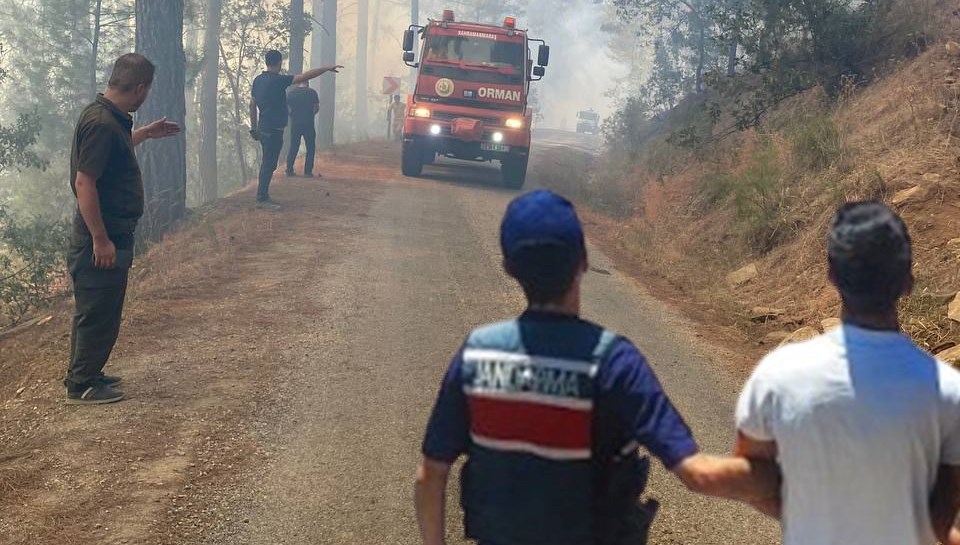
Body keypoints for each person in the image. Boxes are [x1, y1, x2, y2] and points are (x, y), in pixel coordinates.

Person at [415, 190, 780, 545]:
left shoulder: (477, 354)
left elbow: (431, 475)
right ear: (584, 261)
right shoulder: (614, 362)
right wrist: (787, 481)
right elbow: (699, 475)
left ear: (509, 268)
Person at [735, 201, 960, 545]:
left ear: (832, 275)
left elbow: (750, 478)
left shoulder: (779, 375)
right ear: (908, 281)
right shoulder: (949, 393)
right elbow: (939, 523)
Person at [64, 53, 180, 405]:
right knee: (98, 309)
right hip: (102, 234)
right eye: (148, 90)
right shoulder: (102, 123)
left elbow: (107, 157)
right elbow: (85, 182)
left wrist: (143, 134)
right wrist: (100, 239)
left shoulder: (107, 118)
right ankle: (81, 384)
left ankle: (88, 372)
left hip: (111, 231)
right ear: (140, 87)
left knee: (101, 307)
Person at [249, 50, 341, 210]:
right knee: (268, 163)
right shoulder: (278, 80)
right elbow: (306, 76)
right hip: (274, 130)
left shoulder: (258, 80)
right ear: (279, 63)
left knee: (269, 163)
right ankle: (261, 198)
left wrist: (254, 127)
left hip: (263, 127)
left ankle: (263, 195)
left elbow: (252, 104)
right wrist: (326, 68)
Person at [284, 81, 320, 178]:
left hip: (296, 123)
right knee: (310, 147)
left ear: (298, 84)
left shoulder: (292, 93)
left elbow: (286, 107)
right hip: (308, 123)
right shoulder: (312, 92)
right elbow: (316, 107)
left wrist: (292, 115)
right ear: (307, 83)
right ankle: (308, 172)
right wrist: (311, 114)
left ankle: (289, 169)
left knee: (294, 146)